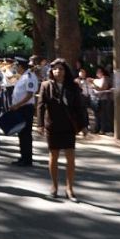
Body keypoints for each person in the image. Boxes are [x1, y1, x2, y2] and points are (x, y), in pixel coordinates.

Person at [36, 58, 87, 202]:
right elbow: (40, 106)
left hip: (69, 126)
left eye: (61, 69)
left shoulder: (73, 86)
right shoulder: (46, 85)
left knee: (70, 157)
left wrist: (83, 125)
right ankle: (54, 187)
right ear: (51, 71)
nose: (58, 71)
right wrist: (39, 124)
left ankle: (70, 189)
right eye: (55, 69)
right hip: (52, 126)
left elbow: (80, 107)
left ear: (66, 71)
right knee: (54, 156)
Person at [8, 57, 38, 167]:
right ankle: (23, 156)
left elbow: (29, 94)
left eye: (17, 66)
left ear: (21, 66)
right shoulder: (24, 76)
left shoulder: (29, 76)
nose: (15, 68)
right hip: (20, 108)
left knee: (25, 134)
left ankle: (27, 159)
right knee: (21, 133)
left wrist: (17, 105)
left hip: (25, 108)